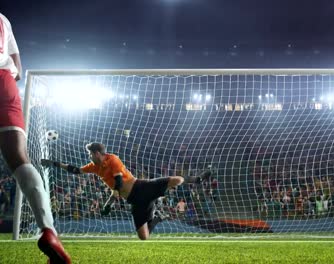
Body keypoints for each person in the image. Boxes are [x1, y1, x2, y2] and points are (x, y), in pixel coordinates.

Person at [0, 13, 71, 264]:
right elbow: (17, 69)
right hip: (4, 82)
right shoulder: (3, 20)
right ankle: (48, 231)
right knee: (20, 159)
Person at [41, 142, 210, 240]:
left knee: (175, 180)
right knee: (143, 237)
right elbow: (76, 170)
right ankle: (157, 219)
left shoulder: (112, 159)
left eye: (90, 154)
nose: (89, 157)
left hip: (141, 188)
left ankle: (197, 179)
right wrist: (55, 164)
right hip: (135, 201)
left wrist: (109, 203)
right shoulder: (94, 167)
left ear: (97, 153)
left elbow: (119, 183)